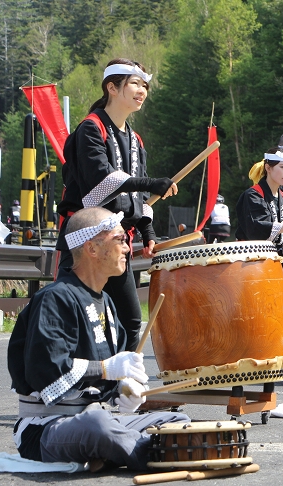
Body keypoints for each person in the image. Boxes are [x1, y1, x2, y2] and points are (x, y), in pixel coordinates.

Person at [8, 207, 190, 471]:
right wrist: (107, 369)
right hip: (46, 427)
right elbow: (48, 373)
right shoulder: (55, 298)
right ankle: (153, 454)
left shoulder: (106, 302)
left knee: (177, 421)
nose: (128, 248)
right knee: (99, 428)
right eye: (119, 239)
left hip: (97, 417)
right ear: (91, 248)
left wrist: (123, 391)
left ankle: (122, 452)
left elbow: (103, 384)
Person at [56, 58, 178, 351]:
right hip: (86, 240)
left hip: (117, 240)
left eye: (144, 85)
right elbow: (100, 181)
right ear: (112, 87)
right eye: (135, 83)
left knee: (129, 319)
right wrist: (149, 184)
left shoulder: (136, 140)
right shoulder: (90, 128)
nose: (142, 90)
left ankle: (123, 386)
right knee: (73, 314)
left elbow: (137, 194)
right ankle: (66, 381)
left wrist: (148, 230)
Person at [237, 149, 283, 294]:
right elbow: (256, 228)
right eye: (282, 167)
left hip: (276, 260)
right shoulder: (253, 195)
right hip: (251, 261)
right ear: (268, 168)